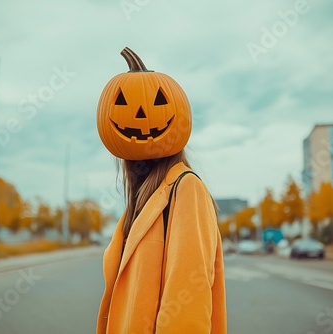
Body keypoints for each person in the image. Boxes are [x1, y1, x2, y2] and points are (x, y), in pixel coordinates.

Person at [96, 47, 227, 334]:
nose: (141, 114)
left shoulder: (186, 189)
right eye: (121, 103)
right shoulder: (143, 202)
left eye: (157, 102)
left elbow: (186, 304)